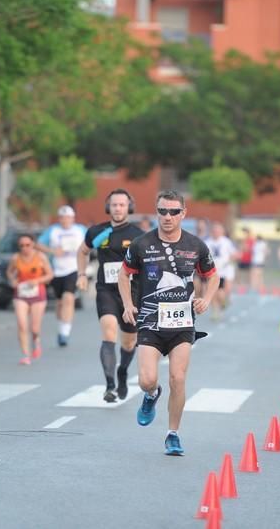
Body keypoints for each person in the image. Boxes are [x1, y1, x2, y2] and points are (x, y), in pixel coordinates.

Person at [119, 190, 219, 456]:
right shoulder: (141, 244)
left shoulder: (196, 245)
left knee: (178, 377)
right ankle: (151, 395)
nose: (168, 216)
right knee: (146, 380)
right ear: (156, 212)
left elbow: (213, 276)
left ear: (183, 214)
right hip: (150, 322)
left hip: (182, 324)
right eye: (163, 211)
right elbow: (123, 274)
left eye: (174, 211)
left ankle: (173, 434)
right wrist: (128, 304)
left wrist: (206, 299)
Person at [77, 189, 143, 402]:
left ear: (129, 207)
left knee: (129, 342)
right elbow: (82, 251)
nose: (118, 208)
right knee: (108, 332)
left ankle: (122, 371)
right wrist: (81, 274)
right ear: (108, 207)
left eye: (122, 205)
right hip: (105, 289)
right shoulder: (97, 232)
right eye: (114, 205)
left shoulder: (137, 234)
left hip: (131, 293)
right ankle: (110, 386)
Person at [36, 205, 86, 347]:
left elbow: (90, 243)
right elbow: (38, 244)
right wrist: (52, 250)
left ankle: (65, 333)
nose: (65, 220)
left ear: (73, 218)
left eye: (68, 217)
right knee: (60, 303)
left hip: (74, 269)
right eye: (62, 218)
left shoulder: (80, 230)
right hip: (57, 270)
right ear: (59, 219)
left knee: (68, 299)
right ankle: (61, 326)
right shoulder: (53, 230)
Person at [7, 233, 53, 365]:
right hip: (21, 294)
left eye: (27, 245)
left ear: (33, 244)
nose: (24, 248)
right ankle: (25, 355)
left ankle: (36, 341)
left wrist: (37, 280)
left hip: (38, 295)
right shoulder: (16, 258)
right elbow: (10, 272)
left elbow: (50, 274)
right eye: (21, 245)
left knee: (34, 328)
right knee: (22, 325)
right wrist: (13, 280)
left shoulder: (41, 257)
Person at [205, 222, 238, 320]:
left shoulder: (226, 242)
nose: (216, 232)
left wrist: (229, 261)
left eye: (218, 231)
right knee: (213, 291)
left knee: (225, 290)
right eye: (214, 231)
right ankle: (215, 311)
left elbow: (235, 254)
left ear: (222, 232)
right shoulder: (207, 242)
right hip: (213, 271)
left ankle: (224, 301)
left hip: (226, 270)